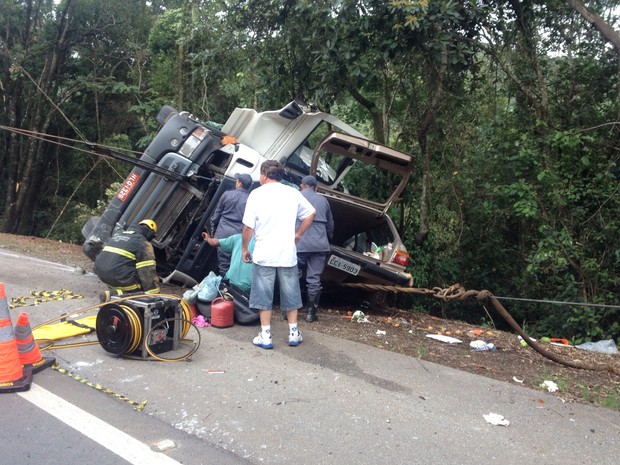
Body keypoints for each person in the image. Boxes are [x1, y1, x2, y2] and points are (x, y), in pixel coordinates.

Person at [241, 160, 316, 349]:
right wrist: (297, 235)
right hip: (286, 254)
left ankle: (266, 336)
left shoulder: (256, 194)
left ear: (265, 174)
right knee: (290, 294)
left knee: (263, 295)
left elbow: (248, 227)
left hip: (264, 254)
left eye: (260, 174)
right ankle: (293, 333)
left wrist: (244, 249)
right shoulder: (292, 193)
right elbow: (310, 213)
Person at [296, 175, 334, 322]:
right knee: (314, 278)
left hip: (300, 243)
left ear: (301, 185)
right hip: (319, 244)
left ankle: (289, 311)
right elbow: (330, 225)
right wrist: (327, 238)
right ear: (316, 188)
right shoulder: (323, 200)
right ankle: (311, 313)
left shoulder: (296, 197)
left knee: (293, 275)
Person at [94, 219, 160, 296]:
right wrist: (153, 293)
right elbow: (147, 271)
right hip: (118, 276)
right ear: (150, 233)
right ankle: (113, 295)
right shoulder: (142, 242)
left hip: (102, 273)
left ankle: (115, 290)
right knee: (140, 292)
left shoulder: (120, 234)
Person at [209, 172, 253, 276]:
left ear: (239, 183)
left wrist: (212, 224)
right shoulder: (250, 200)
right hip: (238, 235)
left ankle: (225, 286)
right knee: (233, 262)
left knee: (223, 263)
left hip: (223, 232)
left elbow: (217, 213)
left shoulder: (227, 194)